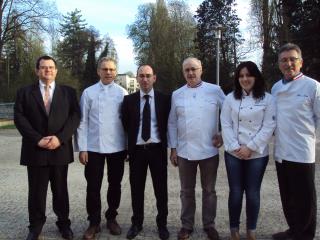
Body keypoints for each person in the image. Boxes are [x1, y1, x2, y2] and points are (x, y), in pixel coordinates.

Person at [14, 55, 80, 240]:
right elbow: (19, 118)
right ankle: (35, 227)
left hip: (59, 149)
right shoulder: (24, 92)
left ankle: (64, 224)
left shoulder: (68, 92)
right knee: (36, 191)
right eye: (43, 67)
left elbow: (75, 117)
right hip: (35, 150)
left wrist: (60, 138)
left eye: (51, 67)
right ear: (37, 71)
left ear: (56, 71)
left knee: (60, 190)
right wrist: (37, 139)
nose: (47, 70)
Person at [168, 57, 225, 240]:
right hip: (185, 151)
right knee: (186, 191)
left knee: (209, 190)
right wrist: (173, 148)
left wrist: (223, 134)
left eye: (194, 69)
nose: (191, 73)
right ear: (183, 72)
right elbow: (172, 123)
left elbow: (230, 113)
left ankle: (209, 225)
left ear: (201, 70)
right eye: (187, 70)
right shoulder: (177, 94)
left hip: (209, 150)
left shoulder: (215, 91)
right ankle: (186, 225)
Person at [220, 61, 276, 240]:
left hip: (257, 153)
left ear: (256, 76)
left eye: (248, 75)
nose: (244, 79)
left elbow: (269, 126)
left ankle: (251, 230)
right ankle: (234, 230)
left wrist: (250, 147)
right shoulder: (230, 98)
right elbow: (226, 124)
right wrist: (236, 147)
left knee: (253, 193)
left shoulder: (268, 99)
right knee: (235, 192)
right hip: (233, 152)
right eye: (241, 76)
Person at [75, 57, 128, 240]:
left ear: (116, 71)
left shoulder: (122, 93)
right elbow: (82, 121)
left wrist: (128, 147)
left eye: (112, 69)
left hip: (117, 147)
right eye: (105, 69)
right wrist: (82, 148)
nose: (108, 72)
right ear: (98, 71)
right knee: (93, 186)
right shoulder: (88, 93)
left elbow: (127, 122)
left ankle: (111, 217)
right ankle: (94, 222)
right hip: (94, 147)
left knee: (115, 185)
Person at [271, 43, 319, 240]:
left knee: (305, 198)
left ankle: (305, 235)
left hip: (302, 150)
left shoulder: (313, 86)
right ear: (279, 64)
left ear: (301, 62)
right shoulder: (275, 88)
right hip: (281, 150)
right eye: (284, 60)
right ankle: (293, 229)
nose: (288, 63)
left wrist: (309, 137)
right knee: (288, 195)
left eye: (292, 59)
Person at [121, 65, 171, 240]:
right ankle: (137, 223)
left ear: (154, 78)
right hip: (137, 152)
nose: (145, 79)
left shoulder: (165, 99)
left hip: (157, 150)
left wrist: (172, 149)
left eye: (148, 76)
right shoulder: (129, 101)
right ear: (137, 78)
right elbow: (126, 125)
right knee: (136, 189)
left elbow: (168, 125)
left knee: (161, 190)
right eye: (141, 76)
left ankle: (162, 224)